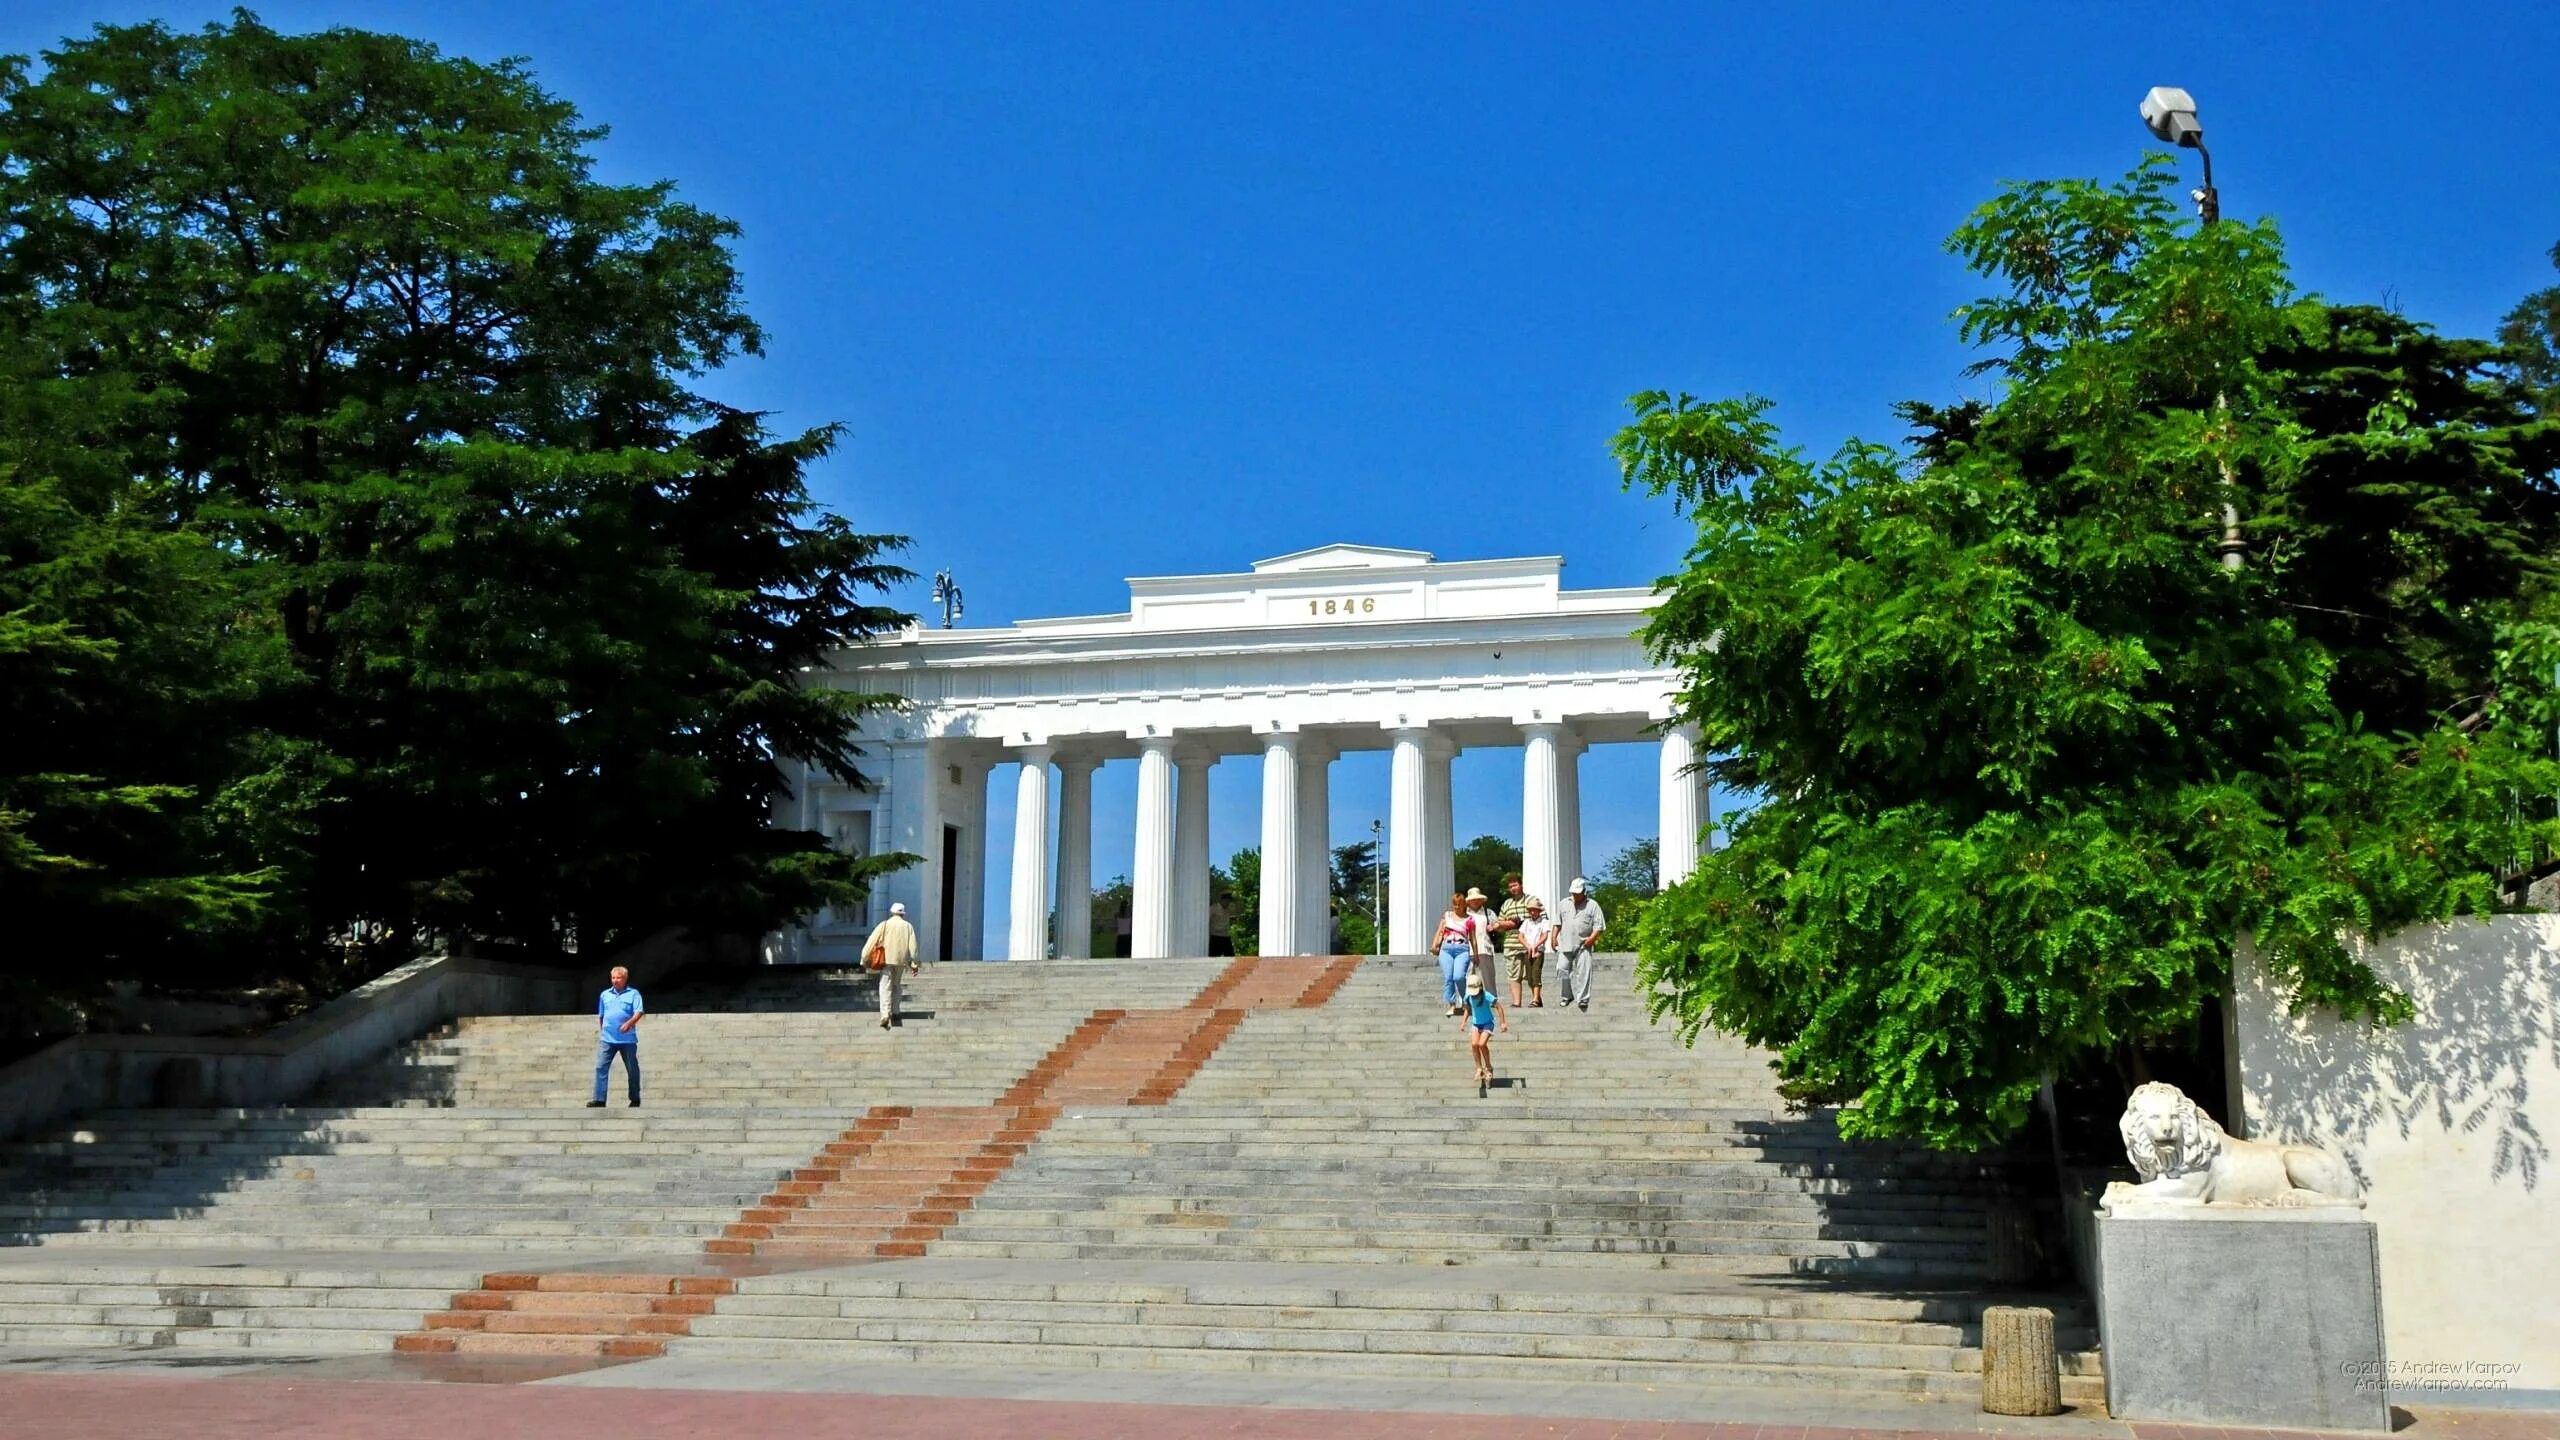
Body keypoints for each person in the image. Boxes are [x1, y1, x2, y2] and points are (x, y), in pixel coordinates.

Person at [861, 901, 920, 1030]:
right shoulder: (908, 926)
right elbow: (913, 947)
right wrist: (914, 964)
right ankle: (896, 1011)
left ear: (891, 912)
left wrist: (864, 958)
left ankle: (885, 1014)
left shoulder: (884, 925)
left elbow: (871, 941)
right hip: (901, 961)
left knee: (885, 986)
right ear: (903, 914)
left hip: (886, 961)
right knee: (897, 985)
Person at [589, 966, 642, 1108]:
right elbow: (601, 1015)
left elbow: (638, 1012)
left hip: (627, 1040)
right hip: (607, 1039)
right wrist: (603, 1030)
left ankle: (635, 1098)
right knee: (600, 1067)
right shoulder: (604, 995)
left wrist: (629, 1023)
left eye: (618, 978)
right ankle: (599, 1099)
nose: (615, 981)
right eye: (613, 978)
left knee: (632, 1069)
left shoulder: (634, 994)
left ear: (625, 979)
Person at [1552, 877, 1608, 1012]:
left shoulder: (1593, 905)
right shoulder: (1564, 903)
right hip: (1566, 943)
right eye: (1573, 893)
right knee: (1562, 968)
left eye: (1578, 893)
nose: (1575, 896)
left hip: (1584, 944)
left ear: (1584, 891)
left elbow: (1598, 926)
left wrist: (1592, 938)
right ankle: (1567, 995)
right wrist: (1553, 937)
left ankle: (1583, 999)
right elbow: (1557, 922)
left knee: (1583, 972)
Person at [1494, 874, 1546, 1007]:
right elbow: (1498, 925)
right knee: (1514, 974)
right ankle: (1517, 1002)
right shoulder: (1507, 904)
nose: (1513, 888)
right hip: (1512, 943)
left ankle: (1536, 998)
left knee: (1531, 974)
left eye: (1515, 885)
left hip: (1531, 945)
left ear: (1521, 885)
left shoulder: (1532, 900)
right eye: (1510, 887)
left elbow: (1543, 919)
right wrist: (1511, 924)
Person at [1461, 971, 1508, 1098]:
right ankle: (1479, 1068)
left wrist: (1502, 1022)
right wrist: (1463, 1022)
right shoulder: (1468, 996)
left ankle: (1488, 1067)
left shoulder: (1486, 995)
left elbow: (1499, 1007)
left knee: (1482, 1044)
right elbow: (1468, 1009)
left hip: (1487, 1023)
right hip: (1476, 1024)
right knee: (1474, 1044)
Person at [1434, 893, 1473, 1016]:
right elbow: (1440, 931)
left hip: (1462, 948)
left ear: (1464, 905)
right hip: (1446, 948)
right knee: (1448, 978)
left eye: (1459, 904)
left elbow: (1473, 938)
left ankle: (1466, 1001)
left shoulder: (1469, 919)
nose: (1456, 907)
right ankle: (1452, 1004)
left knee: (1459, 976)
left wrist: (1475, 953)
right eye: (1454, 904)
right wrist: (1435, 945)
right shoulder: (1447, 916)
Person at [1511, 897, 1552, 1009]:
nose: (1533, 912)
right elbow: (1520, 936)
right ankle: (1537, 998)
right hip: (1527, 951)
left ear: (1539, 911)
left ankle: (1535, 999)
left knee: (1536, 974)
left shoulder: (1544, 922)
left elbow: (1544, 935)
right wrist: (1528, 945)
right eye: (1531, 910)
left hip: (1538, 951)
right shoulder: (1526, 922)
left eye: (1535, 910)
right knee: (1529, 977)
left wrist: (1536, 945)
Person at [1461, 887, 1500, 993]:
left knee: (1488, 977)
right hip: (1468, 949)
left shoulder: (1488, 912)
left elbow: (1498, 924)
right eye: (1473, 899)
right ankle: (1468, 1001)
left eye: (1477, 899)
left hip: (1485, 947)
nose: (1475, 901)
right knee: (1469, 976)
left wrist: (1494, 926)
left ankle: (1491, 999)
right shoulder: (1464, 914)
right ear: (1468, 901)